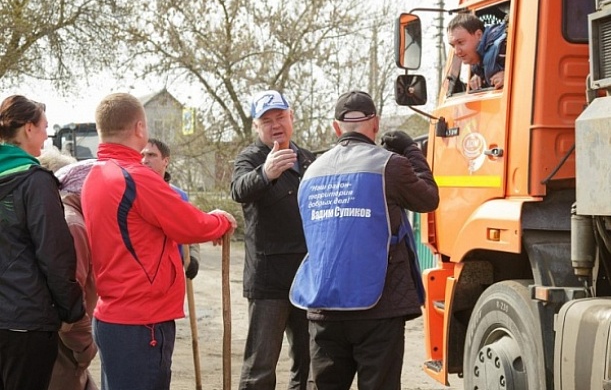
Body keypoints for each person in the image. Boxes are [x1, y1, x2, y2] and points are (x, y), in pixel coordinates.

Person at [81, 93, 237, 390]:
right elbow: (190, 225)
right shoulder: (136, 177)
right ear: (140, 127)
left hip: (112, 317)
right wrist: (222, 220)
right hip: (142, 321)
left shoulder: (95, 175)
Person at [289, 90, 439, 389]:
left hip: (323, 305)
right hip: (378, 307)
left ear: (336, 128)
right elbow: (428, 199)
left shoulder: (310, 172)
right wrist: (411, 150)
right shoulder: (389, 165)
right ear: (376, 124)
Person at [231, 89, 315, 389]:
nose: (275, 124)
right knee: (260, 367)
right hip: (268, 281)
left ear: (291, 117)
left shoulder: (307, 160)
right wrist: (265, 173)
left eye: (280, 116)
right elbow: (238, 189)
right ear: (257, 127)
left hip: (306, 278)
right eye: (266, 120)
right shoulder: (250, 158)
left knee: (309, 364)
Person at [0, 95, 85, 390]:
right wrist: (71, 310)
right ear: (27, 129)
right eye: (44, 128)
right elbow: (56, 255)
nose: (47, 136)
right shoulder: (35, 181)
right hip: (26, 322)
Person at [47, 159, 99, 390]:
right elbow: (69, 296)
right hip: (65, 346)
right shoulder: (73, 225)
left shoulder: (62, 214)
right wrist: (85, 349)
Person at [141, 138, 201, 279]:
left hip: (172, 276)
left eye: (151, 155)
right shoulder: (132, 192)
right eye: (142, 155)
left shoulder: (180, 196)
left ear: (165, 161)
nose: (144, 160)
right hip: (142, 276)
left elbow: (191, 228)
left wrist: (193, 257)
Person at [447, 12, 507, 90]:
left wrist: (509, 77)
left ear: (479, 35)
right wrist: (481, 75)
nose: (456, 51)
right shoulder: (479, 65)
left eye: (460, 42)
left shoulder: (502, 47)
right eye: (453, 46)